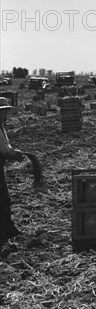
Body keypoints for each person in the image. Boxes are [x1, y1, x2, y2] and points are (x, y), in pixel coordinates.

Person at [1, 97, 25, 242]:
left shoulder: (1, 127)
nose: (6, 115)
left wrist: (14, 152)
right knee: (2, 198)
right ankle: (6, 229)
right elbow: (3, 149)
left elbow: (6, 146)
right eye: (4, 112)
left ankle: (7, 228)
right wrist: (14, 154)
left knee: (4, 197)